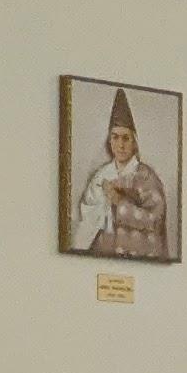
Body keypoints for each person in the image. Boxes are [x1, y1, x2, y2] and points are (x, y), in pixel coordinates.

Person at [71, 90, 169, 259]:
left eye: (126, 138)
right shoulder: (100, 176)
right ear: (109, 141)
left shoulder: (146, 176)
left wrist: (119, 203)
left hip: (139, 257)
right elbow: (87, 214)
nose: (120, 145)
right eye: (115, 138)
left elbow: (155, 220)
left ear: (135, 143)